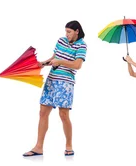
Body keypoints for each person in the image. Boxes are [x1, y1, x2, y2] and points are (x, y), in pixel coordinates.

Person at [22, 20, 87, 157]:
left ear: (77, 31)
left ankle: (69, 145)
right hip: (51, 80)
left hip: (65, 83)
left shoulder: (82, 45)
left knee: (63, 115)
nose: (66, 34)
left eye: (69, 32)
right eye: (66, 31)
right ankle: (39, 147)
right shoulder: (61, 41)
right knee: (42, 113)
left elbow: (77, 65)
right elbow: (54, 58)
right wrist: (43, 63)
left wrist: (60, 62)